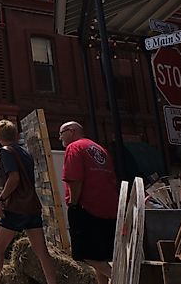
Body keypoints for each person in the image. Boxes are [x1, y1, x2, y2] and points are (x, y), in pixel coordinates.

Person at [0, 120, 57, 284]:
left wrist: (1, 199)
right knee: (42, 252)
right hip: (32, 206)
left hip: (15, 207)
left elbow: (14, 177)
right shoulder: (26, 153)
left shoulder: (6, 152)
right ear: (16, 135)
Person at [59, 121, 117, 284]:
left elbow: (74, 179)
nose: (60, 138)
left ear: (71, 131)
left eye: (61, 133)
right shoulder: (100, 149)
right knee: (99, 254)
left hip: (87, 207)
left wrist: (74, 204)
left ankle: (121, 278)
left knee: (85, 254)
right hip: (108, 207)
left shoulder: (74, 148)